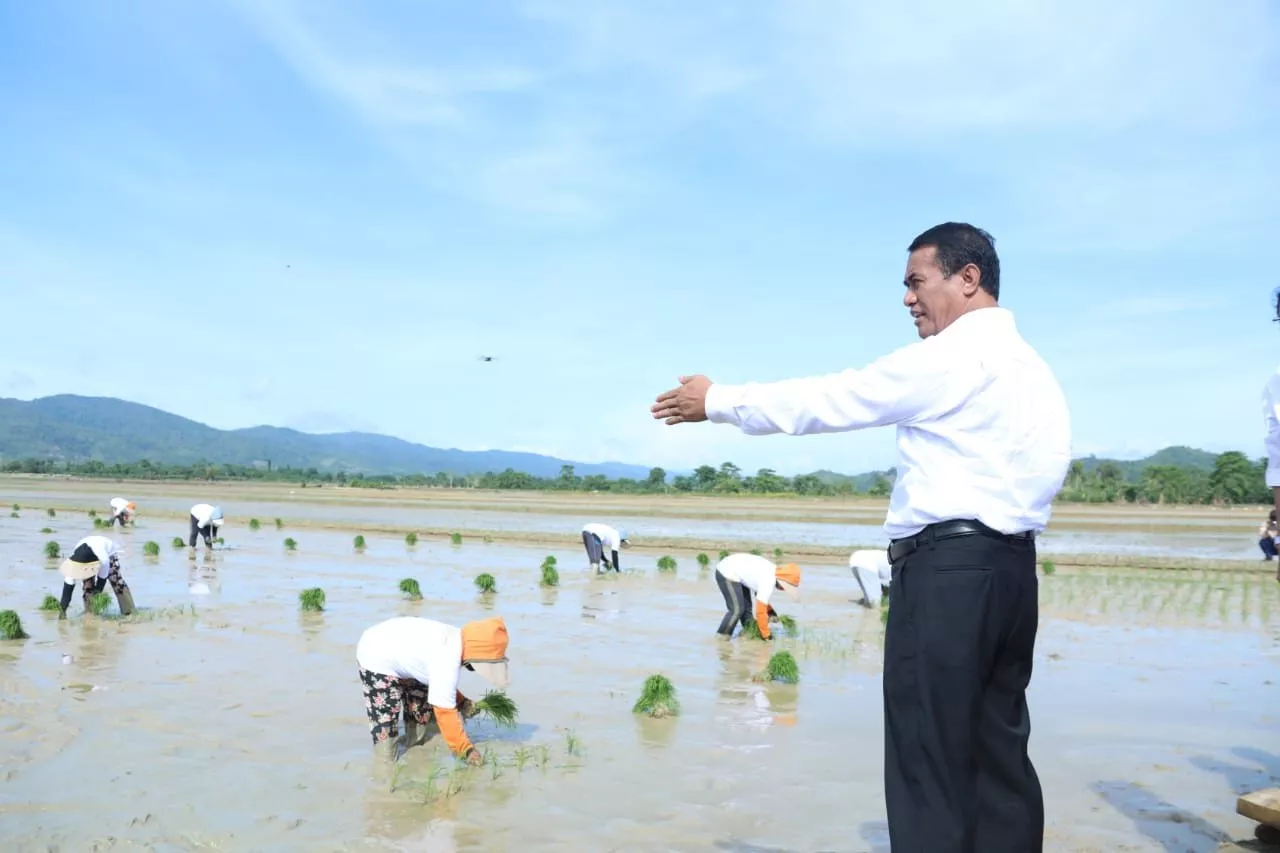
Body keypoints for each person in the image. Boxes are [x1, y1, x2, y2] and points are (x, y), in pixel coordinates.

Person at [651, 222, 1071, 853]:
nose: (907, 299)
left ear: (968, 278)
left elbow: (838, 397)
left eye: (916, 282)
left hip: (948, 574)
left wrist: (719, 400)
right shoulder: (1034, 369)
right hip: (1012, 574)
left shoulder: (956, 355)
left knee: (928, 756)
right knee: (999, 753)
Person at [355, 615, 510, 763]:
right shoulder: (447, 658)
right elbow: (444, 712)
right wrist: (466, 751)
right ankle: (384, 777)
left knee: (420, 726)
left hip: (401, 652)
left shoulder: (457, 639)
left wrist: (462, 702)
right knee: (386, 740)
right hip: (375, 655)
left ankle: (414, 757)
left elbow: (439, 685)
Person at [713, 552, 800, 640]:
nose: (783, 589)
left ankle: (748, 631)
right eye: (785, 586)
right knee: (737, 610)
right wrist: (766, 636)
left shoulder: (774, 571)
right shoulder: (768, 581)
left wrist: (770, 612)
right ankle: (721, 637)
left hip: (738, 571)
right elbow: (760, 612)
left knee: (747, 608)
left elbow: (760, 596)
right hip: (726, 571)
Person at [57, 534, 136, 618]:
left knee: (117, 582)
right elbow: (67, 590)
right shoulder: (75, 563)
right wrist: (62, 611)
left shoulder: (103, 559)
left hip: (108, 552)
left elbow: (101, 581)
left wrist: (97, 596)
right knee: (88, 586)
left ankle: (129, 612)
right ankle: (90, 614)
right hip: (85, 554)